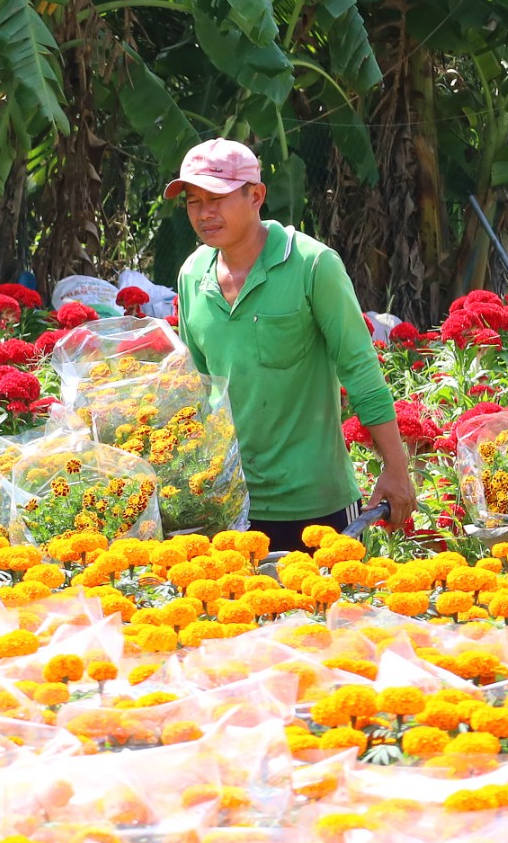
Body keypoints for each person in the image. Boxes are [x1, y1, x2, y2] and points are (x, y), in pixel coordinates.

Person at [169, 139, 416, 552]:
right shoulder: (193, 275)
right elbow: (197, 389)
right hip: (229, 508)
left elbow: (360, 369)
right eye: (194, 201)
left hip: (317, 507)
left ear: (256, 196)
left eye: (217, 198)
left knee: (325, 614)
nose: (205, 213)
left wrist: (396, 466)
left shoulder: (312, 265)